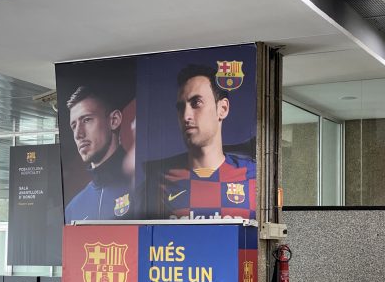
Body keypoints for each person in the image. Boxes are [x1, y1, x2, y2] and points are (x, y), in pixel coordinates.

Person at [144, 64, 256, 220]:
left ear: (222, 109)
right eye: (181, 107)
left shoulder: (254, 177)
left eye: (196, 103)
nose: (186, 116)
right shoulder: (159, 182)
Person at [64, 85, 134, 222]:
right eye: (74, 126)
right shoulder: (72, 209)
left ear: (114, 120)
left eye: (86, 120)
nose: (78, 134)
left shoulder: (145, 185)